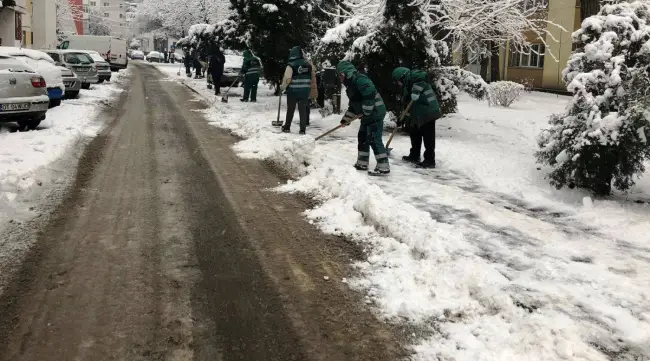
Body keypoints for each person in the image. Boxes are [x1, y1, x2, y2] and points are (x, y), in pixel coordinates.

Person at [337, 61, 390, 175]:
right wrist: (346, 120)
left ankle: (383, 167)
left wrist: (366, 110)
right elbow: (353, 105)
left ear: (344, 73)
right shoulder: (350, 85)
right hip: (367, 115)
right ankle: (362, 163)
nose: (339, 78)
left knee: (374, 139)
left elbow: (369, 93)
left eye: (339, 75)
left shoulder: (360, 79)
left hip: (375, 112)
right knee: (363, 138)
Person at [391, 67, 441, 168]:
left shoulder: (414, 77)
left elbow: (421, 77)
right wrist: (401, 119)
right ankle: (414, 155)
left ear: (402, 77)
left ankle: (430, 160)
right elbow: (407, 106)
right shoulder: (407, 86)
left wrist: (416, 91)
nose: (398, 84)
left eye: (398, 81)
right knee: (414, 133)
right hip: (418, 112)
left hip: (429, 110)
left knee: (428, 136)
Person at [280, 46, 314, 134]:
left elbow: (287, 78)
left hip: (293, 91)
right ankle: (302, 129)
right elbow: (311, 77)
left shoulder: (291, 65)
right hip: (305, 91)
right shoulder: (308, 64)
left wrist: (283, 87)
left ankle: (287, 127)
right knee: (302, 110)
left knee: (290, 109)